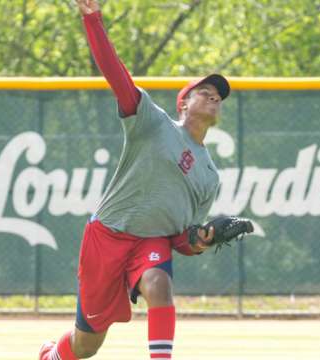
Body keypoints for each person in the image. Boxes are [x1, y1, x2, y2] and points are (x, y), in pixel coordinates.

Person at [39, 0, 231, 358]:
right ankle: (52, 355)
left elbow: (181, 239)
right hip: (107, 236)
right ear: (183, 104)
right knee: (87, 345)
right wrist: (92, 19)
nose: (213, 95)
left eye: (218, 95)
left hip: (150, 242)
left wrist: (202, 239)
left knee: (159, 285)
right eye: (203, 90)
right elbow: (116, 74)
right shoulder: (152, 122)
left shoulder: (209, 176)